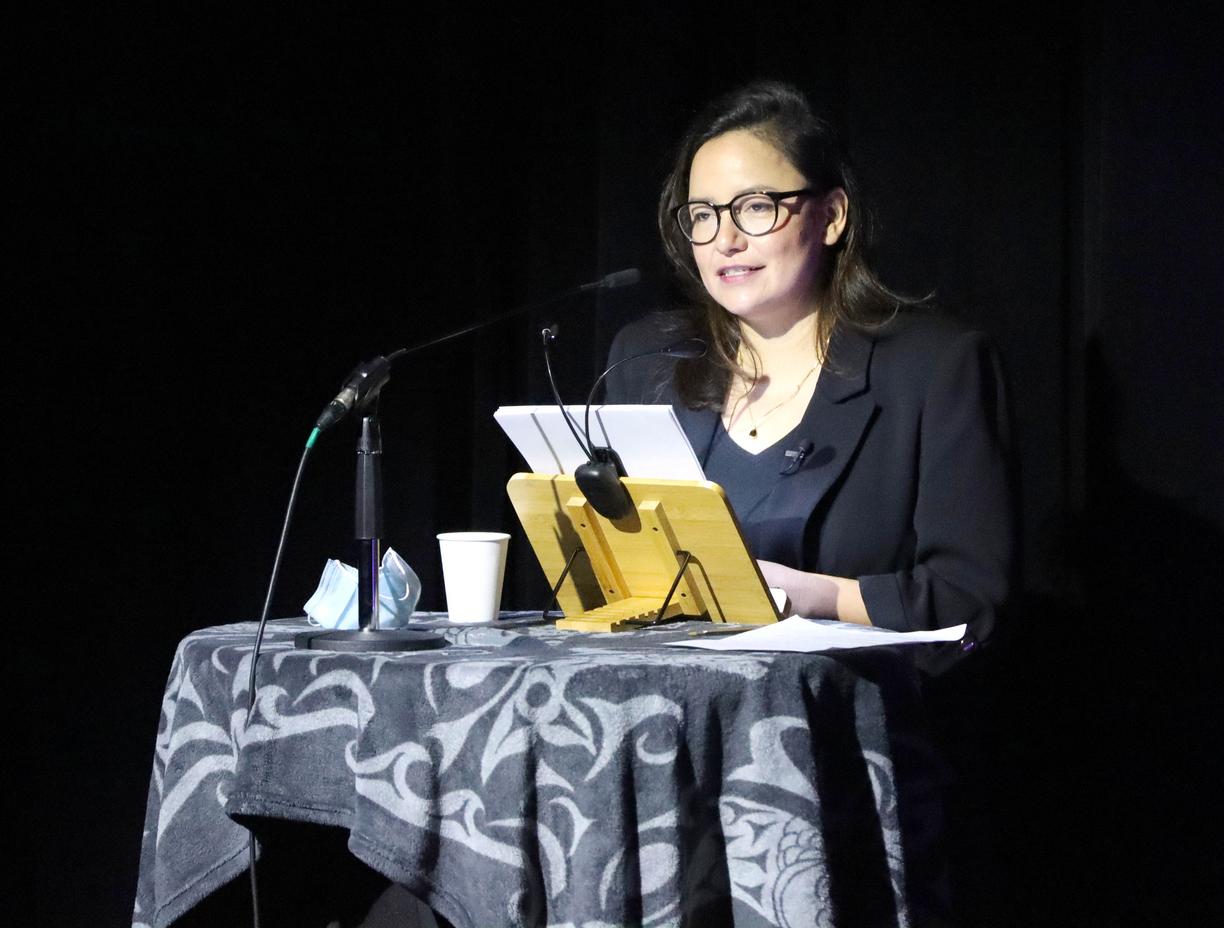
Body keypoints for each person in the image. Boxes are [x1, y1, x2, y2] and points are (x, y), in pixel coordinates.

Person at [606, 81, 1015, 648]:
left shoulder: (933, 368)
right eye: (701, 215)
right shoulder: (642, 362)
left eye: (754, 207)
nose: (724, 239)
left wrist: (814, 597)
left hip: (856, 715)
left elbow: (968, 599)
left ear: (831, 216)